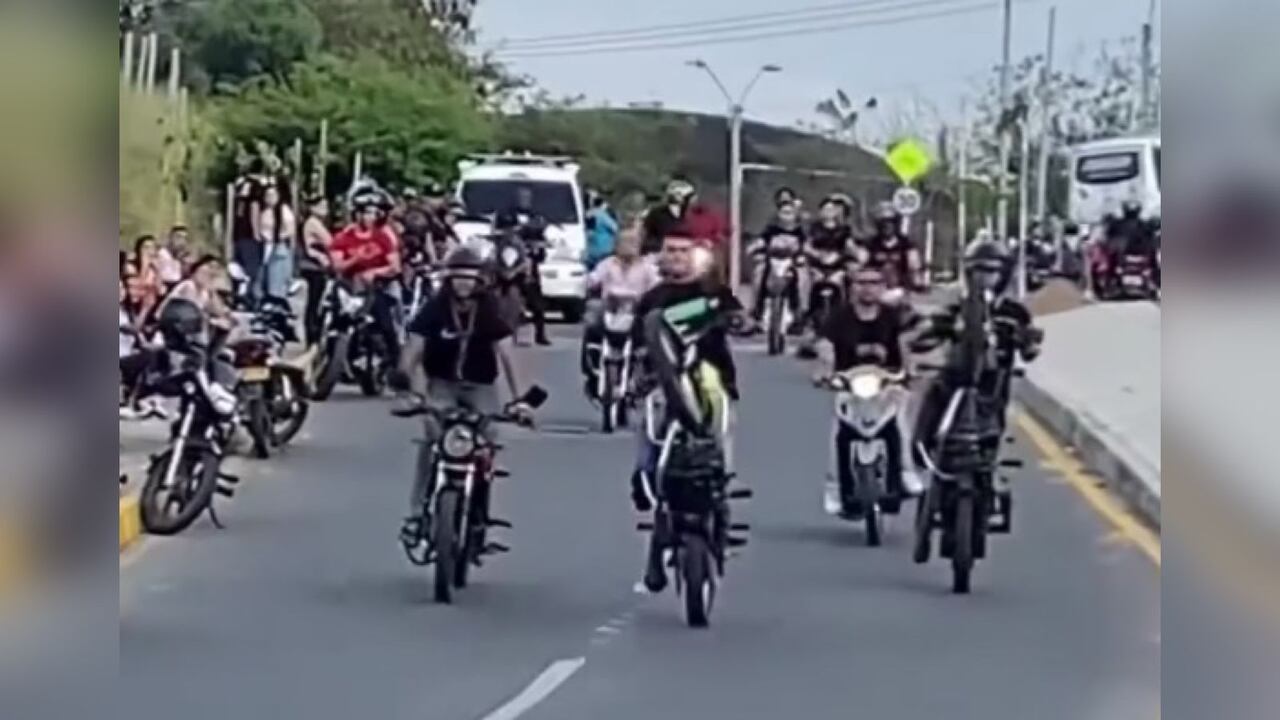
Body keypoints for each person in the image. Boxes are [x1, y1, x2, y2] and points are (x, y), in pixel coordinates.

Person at [629, 233, 751, 593]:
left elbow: (739, 317)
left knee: (718, 448)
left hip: (712, 382)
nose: (678, 257)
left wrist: (740, 322)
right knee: (653, 448)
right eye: (671, 250)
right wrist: (638, 380)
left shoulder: (712, 293)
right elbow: (640, 346)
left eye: (684, 250)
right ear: (661, 257)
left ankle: (722, 514)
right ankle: (644, 484)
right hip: (663, 386)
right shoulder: (652, 300)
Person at [390, 246, 535, 545]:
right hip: (442, 385)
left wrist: (520, 400)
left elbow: (506, 353)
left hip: (481, 387)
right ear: (448, 279)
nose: (464, 284)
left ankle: (480, 510)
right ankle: (417, 515)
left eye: (470, 278)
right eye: (458, 278)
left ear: (480, 281)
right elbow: (414, 348)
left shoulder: (489, 310)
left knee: (489, 441)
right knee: (432, 441)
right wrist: (408, 387)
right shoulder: (435, 308)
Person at [911, 239, 1042, 503]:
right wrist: (930, 333)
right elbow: (927, 332)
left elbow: (1030, 347)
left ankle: (992, 467)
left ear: (1003, 274)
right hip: (956, 377)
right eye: (979, 272)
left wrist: (1026, 341)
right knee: (933, 395)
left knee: (997, 423)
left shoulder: (1014, 312)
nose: (985, 279)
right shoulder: (957, 306)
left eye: (992, 272)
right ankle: (921, 450)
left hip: (992, 385)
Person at [812, 265, 922, 507]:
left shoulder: (893, 317)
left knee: (899, 425)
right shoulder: (839, 317)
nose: (867, 288)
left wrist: (909, 371)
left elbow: (905, 344)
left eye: (874, 283)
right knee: (838, 434)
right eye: (861, 282)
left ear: (883, 288)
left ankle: (905, 472)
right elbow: (825, 345)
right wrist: (825, 371)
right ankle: (835, 487)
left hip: (887, 382)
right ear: (852, 288)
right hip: (849, 384)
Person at [329, 189, 403, 364]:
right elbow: (337, 266)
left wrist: (375, 272)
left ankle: (396, 363)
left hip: (374, 289)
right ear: (357, 214)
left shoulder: (383, 237)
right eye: (366, 213)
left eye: (373, 213)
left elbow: (395, 267)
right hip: (348, 288)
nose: (371, 217)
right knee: (334, 320)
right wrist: (356, 259)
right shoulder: (342, 238)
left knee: (387, 325)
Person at [580, 225, 661, 382]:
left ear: (639, 245)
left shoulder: (647, 268)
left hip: (636, 313)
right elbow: (592, 279)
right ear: (616, 244)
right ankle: (592, 362)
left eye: (632, 241)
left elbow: (657, 286)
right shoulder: (608, 264)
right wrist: (587, 282)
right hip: (611, 309)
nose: (627, 245)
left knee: (654, 319)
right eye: (624, 241)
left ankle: (645, 366)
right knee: (592, 311)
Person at [747, 200, 806, 328]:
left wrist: (802, 256)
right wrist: (753, 249)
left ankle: (798, 312)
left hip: (791, 263)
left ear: (795, 215)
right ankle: (757, 309)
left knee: (802, 278)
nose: (787, 216)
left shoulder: (799, 231)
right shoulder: (771, 230)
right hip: (772, 262)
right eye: (784, 213)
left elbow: (805, 246)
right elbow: (761, 241)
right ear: (778, 214)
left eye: (790, 213)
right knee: (759, 273)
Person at [510, 186, 551, 346]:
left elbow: (542, 240)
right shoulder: (506, 216)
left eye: (527, 198)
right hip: (511, 261)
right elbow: (500, 235)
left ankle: (540, 334)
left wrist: (539, 248)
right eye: (521, 197)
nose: (524, 200)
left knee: (537, 303)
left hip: (530, 264)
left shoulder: (537, 217)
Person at [861, 201, 923, 294]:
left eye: (890, 223)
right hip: (874, 289)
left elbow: (914, 267)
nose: (887, 227)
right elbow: (861, 264)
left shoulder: (906, 244)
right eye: (883, 224)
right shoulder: (871, 244)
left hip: (900, 289)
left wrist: (917, 281)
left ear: (896, 224)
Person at [298, 195, 333, 347]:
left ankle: (313, 334)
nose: (325, 209)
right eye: (321, 205)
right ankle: (312, 336)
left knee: (315, 302)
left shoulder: (316, 223)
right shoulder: (313, 223)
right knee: (315, 303)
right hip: (314, 268)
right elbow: (330, 242)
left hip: (315, 267)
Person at [232, 161, 267, 300]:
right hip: (250, 232)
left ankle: (238, 294)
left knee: (240, 266)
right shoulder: (256, 186)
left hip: (239, 229)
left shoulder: (241, 184)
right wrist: (256, 231)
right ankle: (248, 297)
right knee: (252, 267)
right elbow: (254, 207)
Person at [258, 184, 297, 302]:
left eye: (273, 195)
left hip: (279, 246)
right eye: (267, 195)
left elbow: (290, 229)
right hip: (266, 246)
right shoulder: (265, 211)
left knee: (278, 277)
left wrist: (278, 237)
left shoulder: (284, 210)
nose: (270, 198)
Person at [641, 179, 695, 255]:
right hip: (657, 253)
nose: (691, 200)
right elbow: (645, 235)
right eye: (688, 197)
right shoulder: (657, 214)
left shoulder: (691, 215)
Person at [585, 193, 620, 269]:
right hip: (603, 250)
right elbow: (615, 228)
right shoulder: (602, 215)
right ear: (603, 205)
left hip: (589, 250)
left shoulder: (587, 214)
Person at [155, 225, 190, 290]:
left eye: (184, 238)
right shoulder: (161, 254)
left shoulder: (181, 258)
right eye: (178, 237)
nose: (181, 241)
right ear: (170, 238)